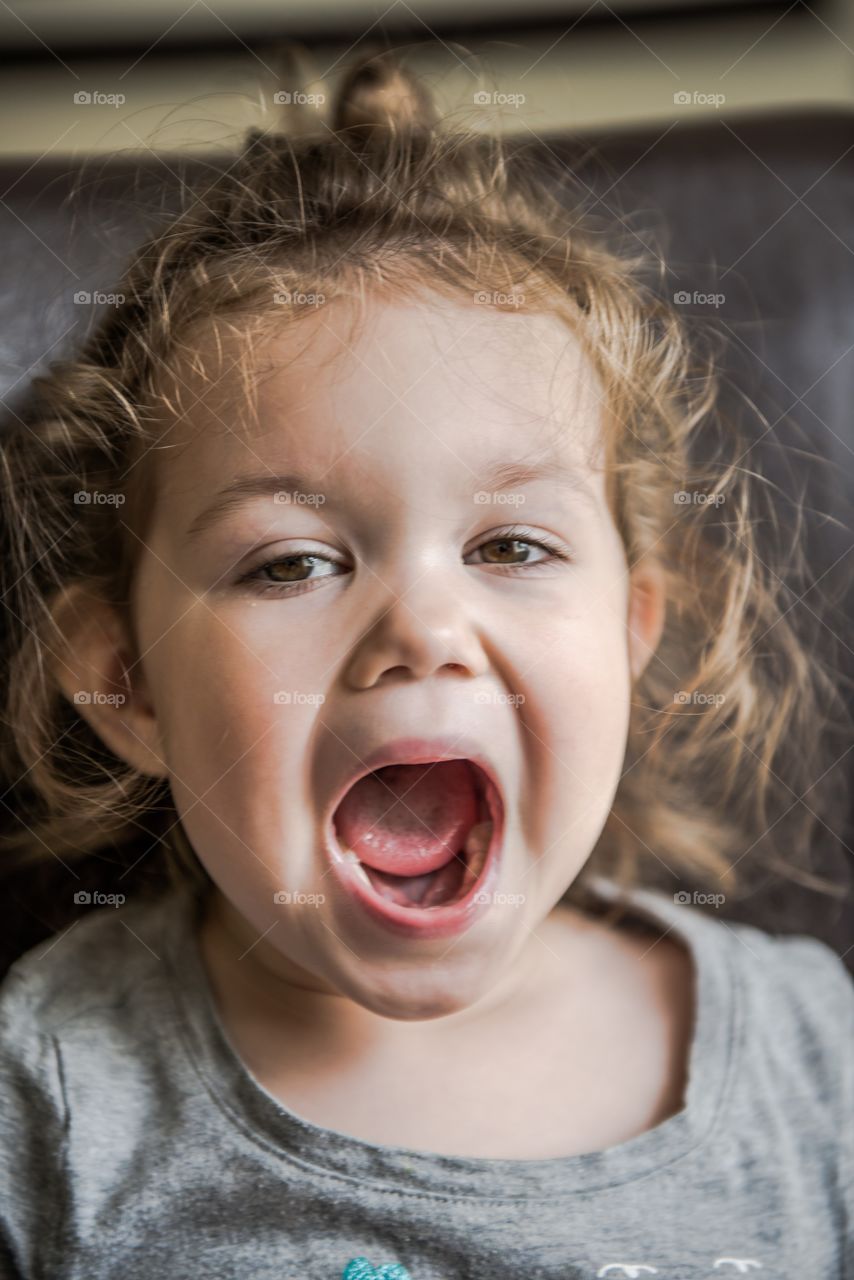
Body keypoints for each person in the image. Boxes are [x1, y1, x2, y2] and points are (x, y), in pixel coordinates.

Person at [0, 47, 851, 1280]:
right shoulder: (51, 1098)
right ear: (126, 681)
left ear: (629, 632)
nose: (422, 631)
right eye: (290, 563)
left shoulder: (813, 1065)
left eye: (510, 543)